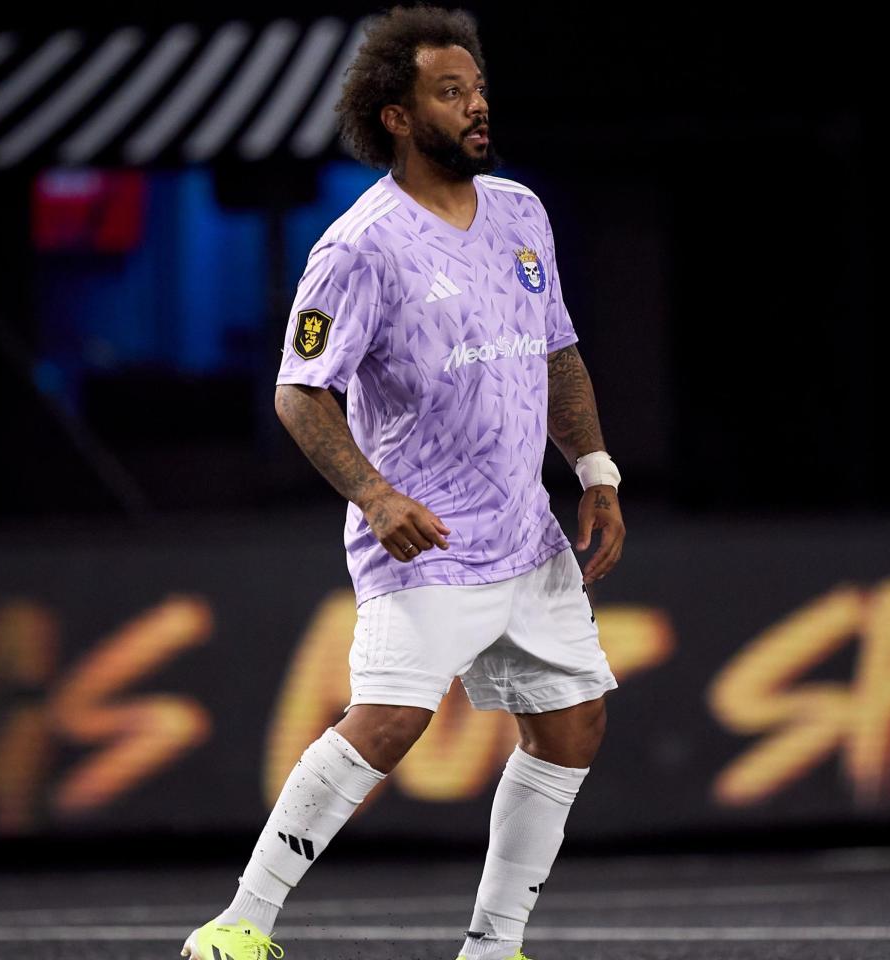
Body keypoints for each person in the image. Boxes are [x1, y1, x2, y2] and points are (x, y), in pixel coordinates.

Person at [183, 6, 625, 959]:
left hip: (528, 538)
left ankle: (493, 946)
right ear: (394, 114)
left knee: (574, 724)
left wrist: (594, 469)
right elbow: (301, 395)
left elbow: (557, 353)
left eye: (478, 89)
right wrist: (376, 498)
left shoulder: (520, 211)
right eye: (450, 92)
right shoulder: (359, 247)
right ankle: (237, 927)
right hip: (425, 539)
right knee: (386, 723)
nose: (477, 107)